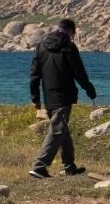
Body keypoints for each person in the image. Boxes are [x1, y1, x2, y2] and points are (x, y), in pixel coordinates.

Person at [28, 18, 97, 178]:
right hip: (64, 96)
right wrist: (89, 89)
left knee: (62, 130)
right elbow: (79, 72)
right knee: (57, 131)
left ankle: (69, 167)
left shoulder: (41, 46)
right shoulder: (69, 47)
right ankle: (39, 166)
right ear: (71, 31)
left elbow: (34, 76)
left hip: (48, 96)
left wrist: (35, 98)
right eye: (73, 34)